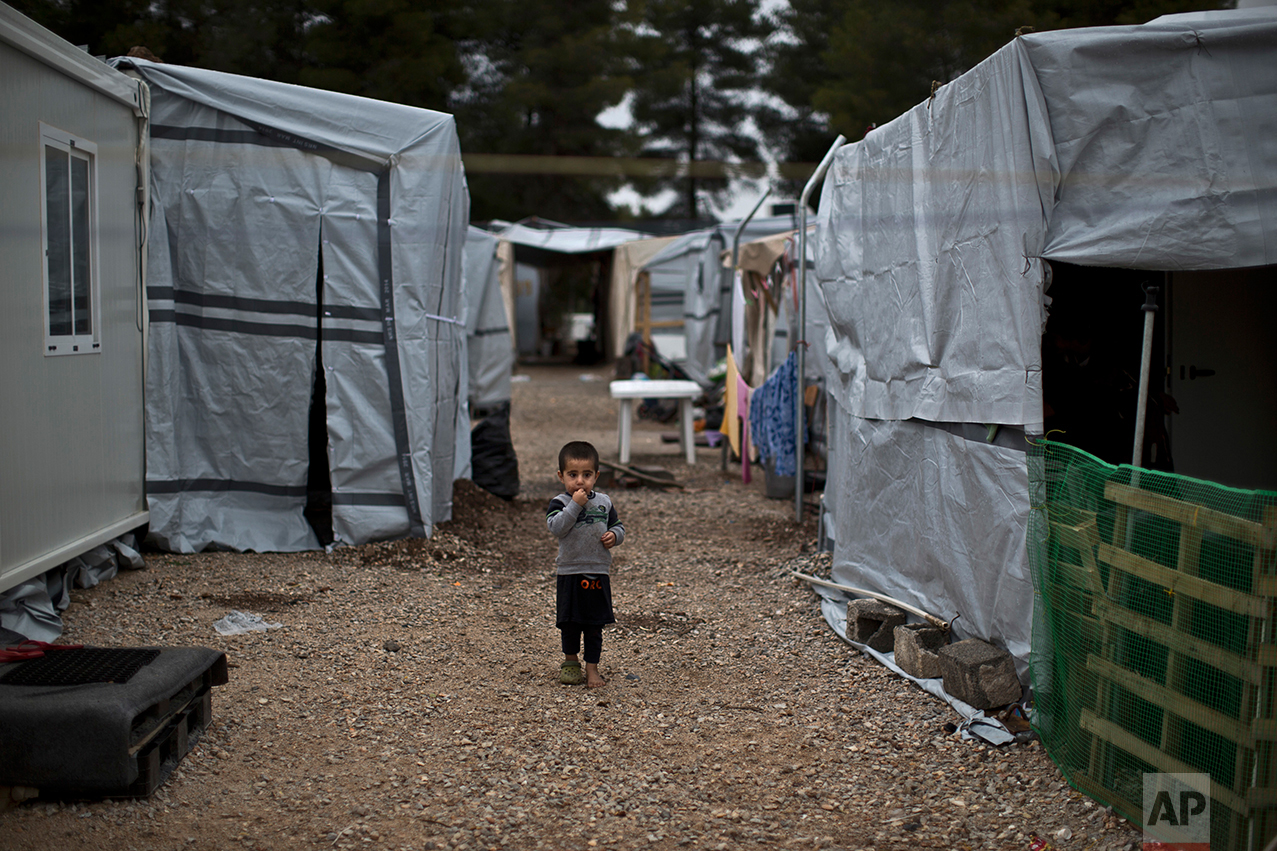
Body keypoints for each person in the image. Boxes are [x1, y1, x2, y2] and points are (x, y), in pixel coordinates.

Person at [546, 441, 624, 688]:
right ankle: (570, 662)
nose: (580, 481)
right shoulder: (559, 502)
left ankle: (592, 669)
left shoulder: (604, 501)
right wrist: (575, 505)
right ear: (561, 476)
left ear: (596, 476)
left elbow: (617, 526)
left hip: (597, 571)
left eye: (587, 475)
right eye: (573, 475)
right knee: (569, 622)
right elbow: (557, 528)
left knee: (594, 624)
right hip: (569, 571)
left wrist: (615, 536)